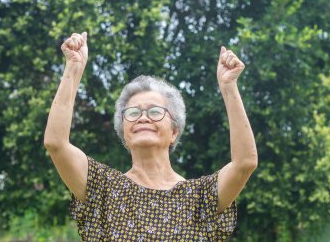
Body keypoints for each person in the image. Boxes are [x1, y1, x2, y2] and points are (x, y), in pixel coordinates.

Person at [44, 31, 258, 242]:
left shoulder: (200, 198)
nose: (143, 118)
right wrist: (73, 67)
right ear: (125, 134)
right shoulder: (103, 189)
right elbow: (56, 143)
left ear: (174, 131)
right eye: (133, 113)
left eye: (155, 112)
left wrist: (229, 87)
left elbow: (245, 163)